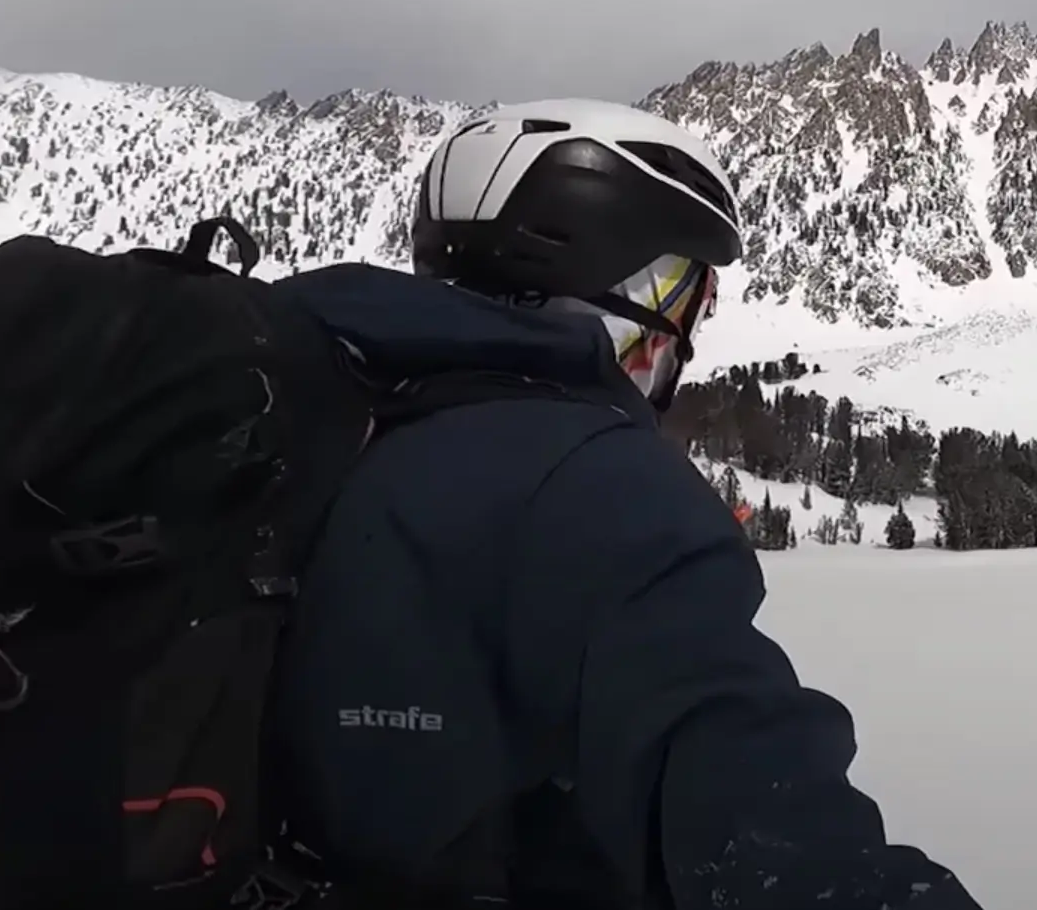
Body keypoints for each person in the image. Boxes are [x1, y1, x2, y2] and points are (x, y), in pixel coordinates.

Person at [259, 99, 978, 910]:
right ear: (635, 290)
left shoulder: (306, 429)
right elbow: (768, 838)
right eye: (691, 299)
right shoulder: (601, 488)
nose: (689, 336)